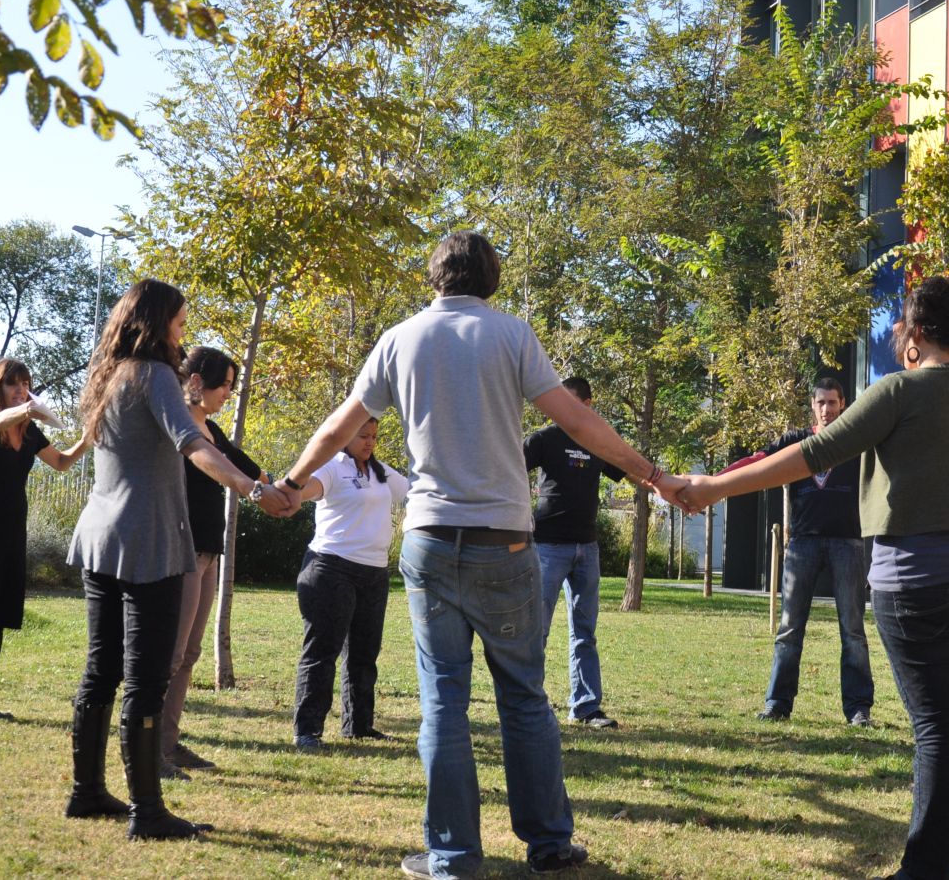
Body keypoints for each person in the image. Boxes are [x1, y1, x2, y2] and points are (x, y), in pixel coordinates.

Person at [277, 230, 683, 879]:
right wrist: (653, 477)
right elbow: (578, 423)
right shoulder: (513, 335)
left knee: (444, 701)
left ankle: (453, 856)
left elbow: (335, 426)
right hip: (509, 542)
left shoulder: (400, 340)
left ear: (435, 277)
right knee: (523, 697)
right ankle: (549, 843)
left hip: (432, 541)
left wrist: (291, 485)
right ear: (491, 279)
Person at [676, 277, 949, 880]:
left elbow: (814, 454)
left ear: (915, 333)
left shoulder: (895, 391)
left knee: (937, 731)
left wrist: (713, 487)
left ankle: (926, 871)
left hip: (917, 583)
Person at [62, 280, 293, 840]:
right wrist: (252, 489)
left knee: (101, 670)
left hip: (100, 536)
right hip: (148, 542)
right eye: (181, 323)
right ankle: (148, 811)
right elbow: (194, 444)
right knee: (143, 676)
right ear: (158, 321)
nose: (184, 333)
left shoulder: (108, 377)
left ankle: (87, 791)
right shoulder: (156, 374)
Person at [721, 376, 873, 727]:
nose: (826, 409)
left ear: (843, 404)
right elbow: (758, 461)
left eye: (832, 402)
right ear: (813, 407)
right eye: (820, 402)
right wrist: (715, 482)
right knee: (789, 628)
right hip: (802, 543)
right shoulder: (795, 441)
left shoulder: (856, 443)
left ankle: (858, 709)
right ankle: (777, 703)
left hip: (848, 544)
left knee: (853, 630)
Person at [0, 358, 89, 720]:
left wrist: (88, 439)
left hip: (12, 532)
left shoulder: (28, 432)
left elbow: (60, 462)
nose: (20, 390)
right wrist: (27, 409)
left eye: (25, 384)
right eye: (13, 384)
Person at [158, 346, 269, 778]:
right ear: (197, 382)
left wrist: (287, 488)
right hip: (181, 551)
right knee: (171, 654)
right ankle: (152, 749)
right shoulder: (179, 425)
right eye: (225, 385)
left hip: (209, 554)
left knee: (189, 654)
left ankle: (168, 741)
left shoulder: (213, 430)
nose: (229, 393)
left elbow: (248, 469)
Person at [292, 415, 410, 748]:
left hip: (373, 573)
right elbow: (310, 489)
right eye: (362, 436)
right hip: (330, 570)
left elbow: (415, 493)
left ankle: (359, 725)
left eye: (373, 436)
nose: (370, 442)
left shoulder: (382, 472)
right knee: (322, 652)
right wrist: (291, 492)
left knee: (364, 653)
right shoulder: (332, 467)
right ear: (344, 436)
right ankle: (307, 731)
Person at [523, 376, 626, 730]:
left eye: (568, 404)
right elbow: (509, 469)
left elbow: (623, 467)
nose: (559, 411)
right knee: (537, 630)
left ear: (587, 405)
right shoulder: (542, 439)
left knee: (585, 631)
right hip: (548, 547)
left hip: (588, 548)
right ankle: (528, 706)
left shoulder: (597, 442)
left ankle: (585, 707)